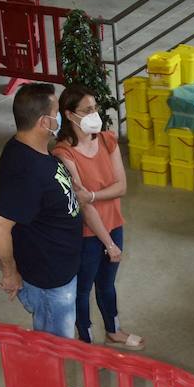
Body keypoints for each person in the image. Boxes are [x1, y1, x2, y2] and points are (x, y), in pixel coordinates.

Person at [0, 85, 86, 387]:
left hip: (59, 269)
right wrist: (10, 273)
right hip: (48, 279)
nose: (59, 120)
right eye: (56, 114)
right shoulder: (27, 171)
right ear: (44, 121)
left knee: (56, 341)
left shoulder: (29, 150)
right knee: (51, 344)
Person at [54, 84, 144, 349]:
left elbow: (122, 187)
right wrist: (108, 243)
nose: (95, 113)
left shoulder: (107, 140)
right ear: (70, 115)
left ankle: (113, 330)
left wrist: (93, 195)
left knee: (107, 283)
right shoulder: (63, 153)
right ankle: (86, 341)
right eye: (88, 110)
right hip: (87, 234)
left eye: (95, 108)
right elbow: (83, 207)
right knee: (82, 289)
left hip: (114, 224)